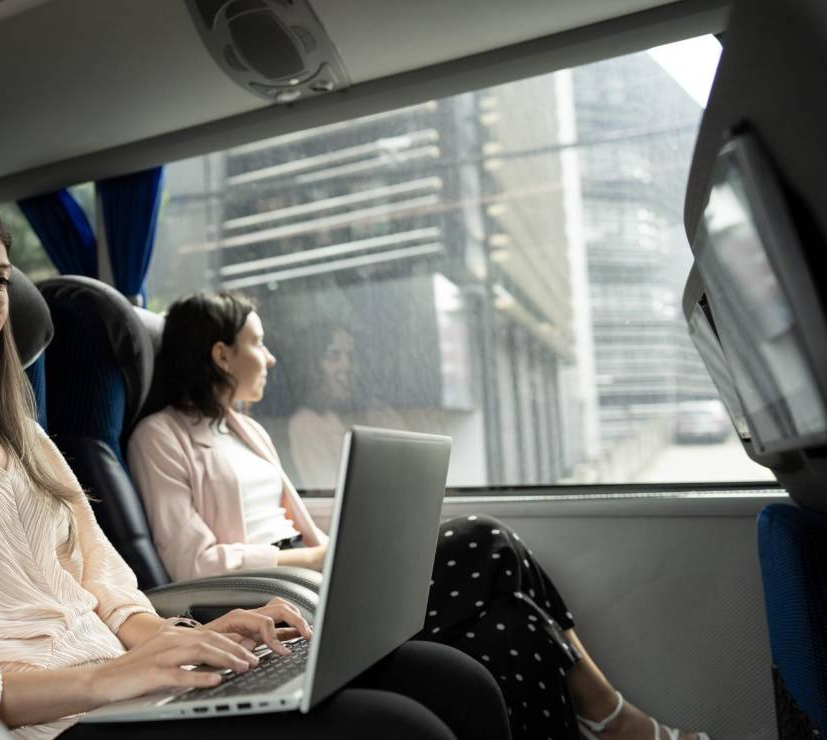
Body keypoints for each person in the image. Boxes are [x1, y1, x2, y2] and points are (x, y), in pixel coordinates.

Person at [0, 183, 511, 740]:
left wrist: (186, 638)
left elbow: (109, 594)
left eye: (0, 275)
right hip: (42, 724)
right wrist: (105, 678)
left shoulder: (22, 435)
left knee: (453, 681)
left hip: (119, 691)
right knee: (396, 731)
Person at [127, 290, 711, 740]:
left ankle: (610, 725)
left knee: (514, 626)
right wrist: (316, 558)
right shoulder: (160, 437)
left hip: (320, 577)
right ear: (222, 354)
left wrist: (349, 548)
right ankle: (614, 718)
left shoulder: (248, 431)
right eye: (258, 342)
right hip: (284, 604)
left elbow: (302, 526)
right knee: (485, 537)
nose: (270, 356)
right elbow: (191, 560)